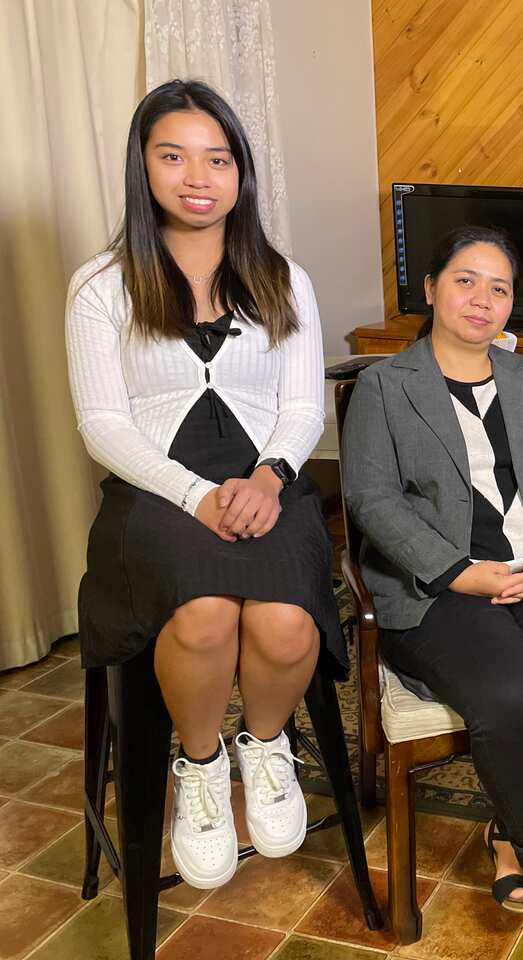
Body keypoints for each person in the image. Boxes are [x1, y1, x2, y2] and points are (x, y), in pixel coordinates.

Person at [66, 80, 342, 889]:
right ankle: (199, 767)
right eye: (174, 155)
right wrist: (196, 495)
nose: (198, 176)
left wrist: (267, 476)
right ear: (142, 166)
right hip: (154, 490)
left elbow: (302, 406)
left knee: (289, 624)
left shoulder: (284, 278)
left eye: (217, 158)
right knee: (205, 613)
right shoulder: (101, 285)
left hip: (267, 476)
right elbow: (102, 425)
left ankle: (264, 748)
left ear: (240, 173)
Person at [341, 226, 523, 935]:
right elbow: (371, 500)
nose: (482, 298)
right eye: (466, 280)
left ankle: (507, 833)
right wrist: (458, 574)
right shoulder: (384, 385)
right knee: (514, 696)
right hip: (438, 588)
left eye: (499, 287)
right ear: (432, 289)